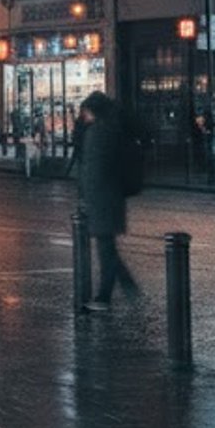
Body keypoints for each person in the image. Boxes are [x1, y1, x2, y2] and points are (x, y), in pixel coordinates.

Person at [75, 93, 137, 309]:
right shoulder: (111, 129)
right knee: (108, 249)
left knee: (106, 250)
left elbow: (93, 172)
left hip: (102, 200)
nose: (84, 116)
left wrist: (85, 199)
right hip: (111, 198)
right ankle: (129, 290)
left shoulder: (97, 133)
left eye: (86, 111)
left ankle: (105, 297)